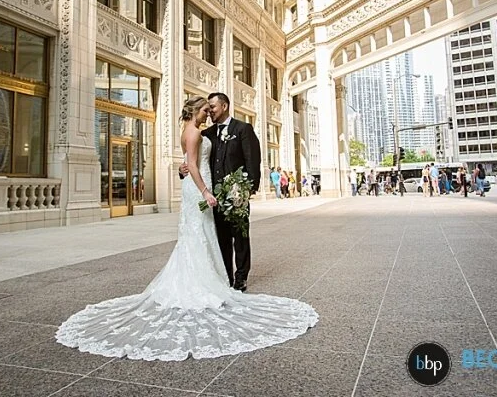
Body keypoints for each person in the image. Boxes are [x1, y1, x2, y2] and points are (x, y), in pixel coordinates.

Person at [56, 96, 318, 361]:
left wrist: (248, 189)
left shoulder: (242, 129)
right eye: (207, 109)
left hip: (234, 192)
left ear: (223, 107)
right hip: (208, 194)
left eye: (212, 108)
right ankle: (222, 277)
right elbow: (192, 160)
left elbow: (252, 160)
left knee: (240, 235)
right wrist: (188, 174)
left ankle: (240, 277)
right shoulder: (205, 132)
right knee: (216, 238)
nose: (210, 112)